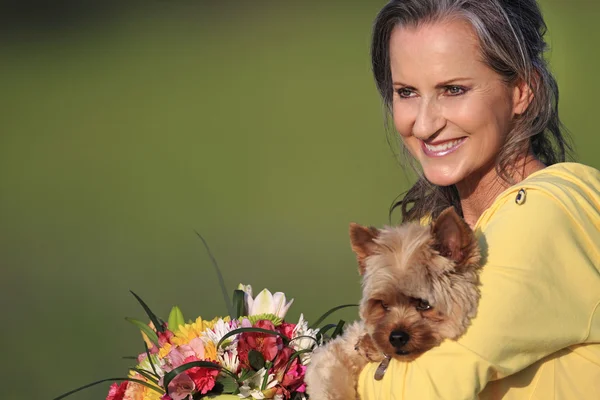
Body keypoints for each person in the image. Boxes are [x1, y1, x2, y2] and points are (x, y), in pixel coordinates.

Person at [358, 0, 600, 399]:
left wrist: (309, 372)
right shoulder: (426, 236)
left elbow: (421, 388)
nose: (424, 123)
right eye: (406, 92)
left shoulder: (549, 213)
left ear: (523, 90)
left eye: (453, 90)